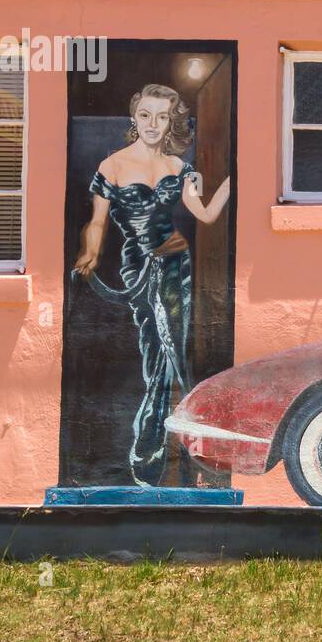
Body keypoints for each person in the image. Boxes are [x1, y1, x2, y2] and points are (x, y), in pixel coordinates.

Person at [72, 84, 231, 486]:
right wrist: (89, 254)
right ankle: (158, 433)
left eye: (162, 116)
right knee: (153, 349)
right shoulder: (113, 165)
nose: (153, 124)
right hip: (136, 264)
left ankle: (162, 444)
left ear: (171, 120)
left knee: (175, 347)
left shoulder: (179, 168)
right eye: (146, 115)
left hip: (176, 259)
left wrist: (233, 179)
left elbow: (206, 215)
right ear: (134, 119)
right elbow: (97, 221)